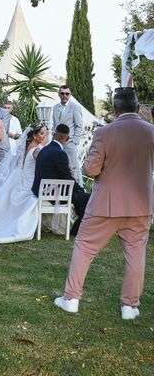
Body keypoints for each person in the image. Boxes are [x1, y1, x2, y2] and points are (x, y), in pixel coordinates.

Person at [54, 87, 154, 320]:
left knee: (85, 248)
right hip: (140, 205)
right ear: (138, 108)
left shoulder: (104, 133)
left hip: (105, 204)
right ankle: (129, 306)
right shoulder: (151, 132)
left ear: (115, 110)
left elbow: (91, 169)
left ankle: (71, 299)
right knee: (136, 254)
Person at [32, 124, 91, 235]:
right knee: (87, 198)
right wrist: (80, 189)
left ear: (54, 134)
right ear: (67, 139)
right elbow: (67, 178)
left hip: (39, 190)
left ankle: (78, 227)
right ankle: (77, 229)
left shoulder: (43, 150)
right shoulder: (60, 153)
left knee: (79, 197)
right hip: (53, 194)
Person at [52, 85, 84, 185]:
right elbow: (55, 125)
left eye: (67, 94)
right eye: (62, 93)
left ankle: (80, 190)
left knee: (74, 169)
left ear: (70, 95)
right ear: (59, 94)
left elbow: (79, 126)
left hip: (70, 145)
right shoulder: (55, 107)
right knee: (60, 170)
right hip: (57, 145)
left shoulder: (75, 107)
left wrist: (74, 141)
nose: (64, 96)